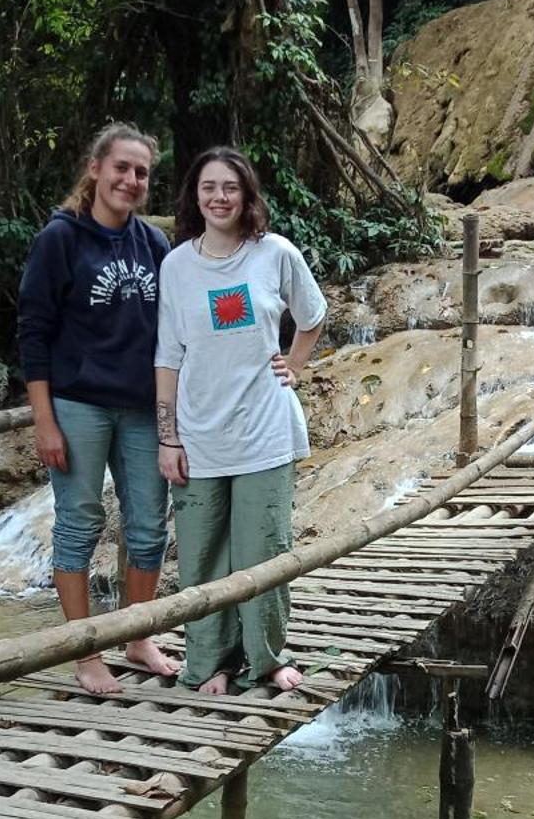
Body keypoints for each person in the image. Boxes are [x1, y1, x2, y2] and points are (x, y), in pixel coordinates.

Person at [155, 148, 327, 695]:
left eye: (230, 187)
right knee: (203, 557)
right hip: (199, 435)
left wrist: (293, 366)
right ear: (194, 196)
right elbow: (168, 356)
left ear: (247, 195)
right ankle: (211, 664)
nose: (219, 197)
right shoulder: (177, 265)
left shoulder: (274, 253)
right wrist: (168, 437)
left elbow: (313, 314)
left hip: (265, 432)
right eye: (209, 187)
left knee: (265, 553)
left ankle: (267, 659)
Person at [17, 122, 181, 694]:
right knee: (80, 524)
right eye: (122, 168)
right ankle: (86, 651)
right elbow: (33, 333)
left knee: (147, 530)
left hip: (139, 409)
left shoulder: (153, 244)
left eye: (141, 173)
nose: (131, 181)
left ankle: (137, 637)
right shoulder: (60, 239)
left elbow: (175, 330)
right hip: (78, 406)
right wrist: (44, 420)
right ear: (95, 169)